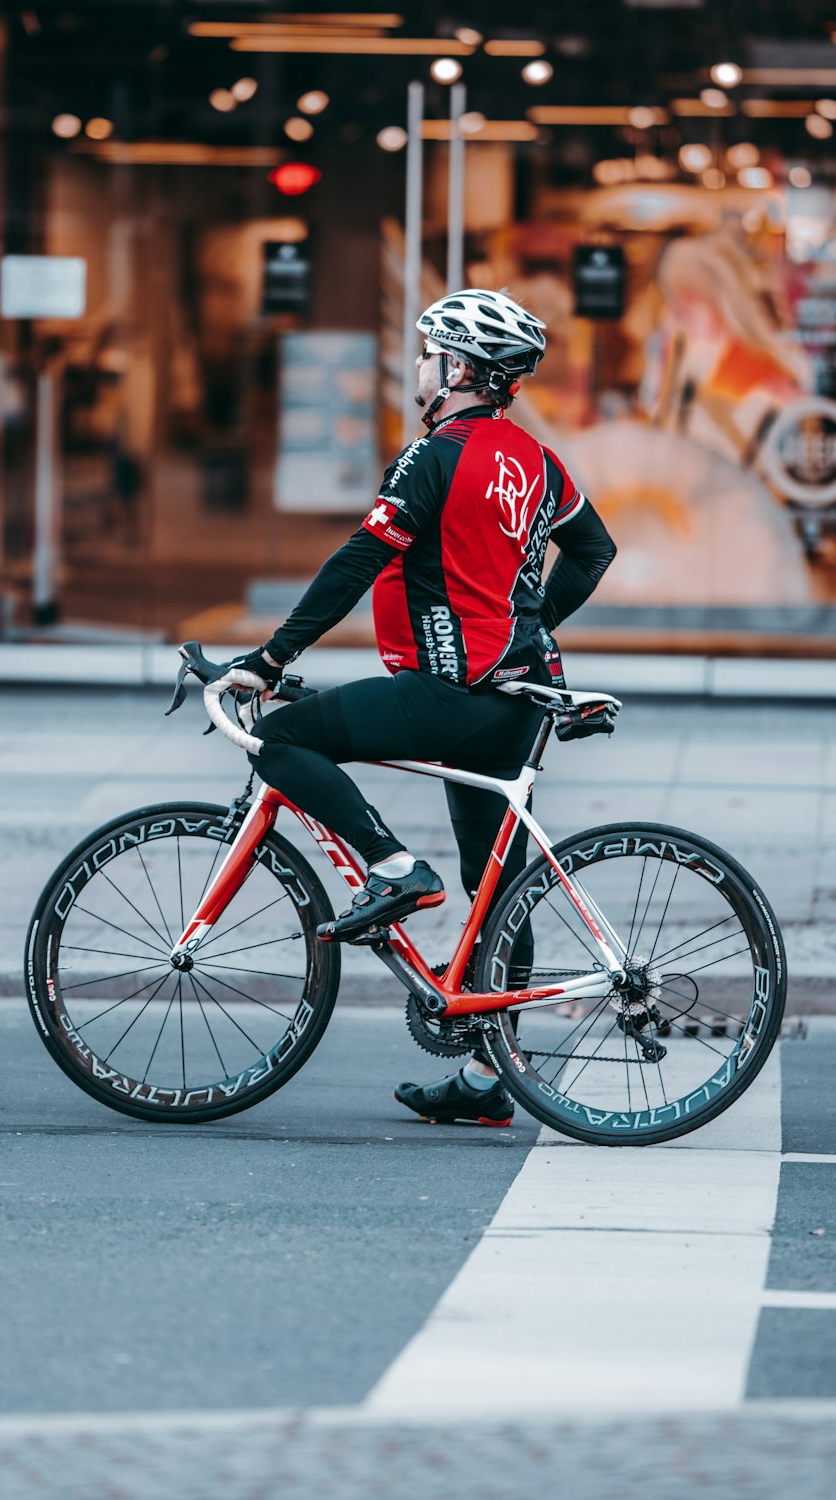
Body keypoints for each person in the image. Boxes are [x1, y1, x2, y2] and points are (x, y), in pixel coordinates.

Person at [232, 288, 616, 1126]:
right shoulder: (537, 461)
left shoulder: (434, 454)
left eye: (428, 353)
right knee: (497, 889)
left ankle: (395, 869)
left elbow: (359, 559)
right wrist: (534, 621)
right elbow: (594, 548)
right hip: (515, 698)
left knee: (282, 736)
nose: (417, 367)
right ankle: (489, 1082)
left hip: (451, 694)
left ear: (459, 370)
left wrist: (270, 659)